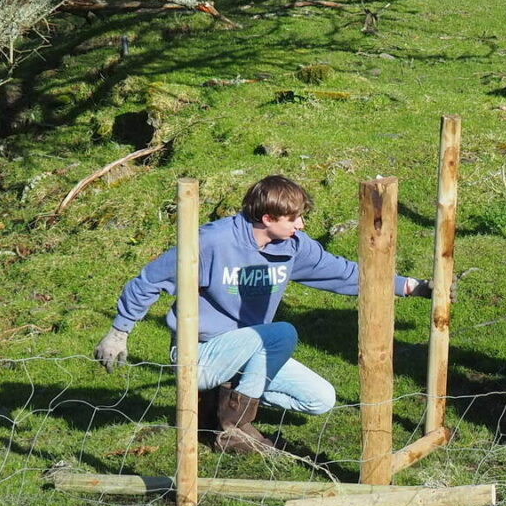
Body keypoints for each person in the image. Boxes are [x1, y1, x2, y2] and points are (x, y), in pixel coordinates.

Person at [93, 174, 433, 454]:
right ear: (267, 218)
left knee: (321, 399)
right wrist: (119, 332)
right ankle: (233, 427)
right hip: (199, 353)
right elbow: (150, 280)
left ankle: (223, 402)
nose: (301, 225)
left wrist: (411, 286)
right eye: (294, 218)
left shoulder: (293, 248)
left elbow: (345, 273)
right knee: (281, 333)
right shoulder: (212, 243)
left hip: (249, 351)